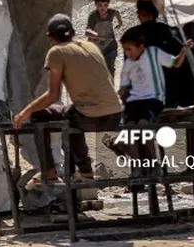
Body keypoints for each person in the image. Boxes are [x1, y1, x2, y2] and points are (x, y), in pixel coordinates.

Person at [13, 14, 123, 190]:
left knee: (40, 114)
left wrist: (24, 112)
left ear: (50, 37)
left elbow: (52, 94)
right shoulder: (91, 47)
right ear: (73, 33)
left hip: (90, 116)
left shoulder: (57, 52)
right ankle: (84, 170)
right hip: (115, 114)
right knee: (71, 115)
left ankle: (49, 172)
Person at [114, 27, 191, 168]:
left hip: (153, 98)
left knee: (144, 125)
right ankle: (136, 166)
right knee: (129, 128)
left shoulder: (154, 53)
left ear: (141, 47)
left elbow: (176, 63)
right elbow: (123, 87)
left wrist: (184, 49)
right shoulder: (127, 64)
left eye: (129, 49)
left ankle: (153, 161)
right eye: (125, 50)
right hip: (134, 101)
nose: (127, 53)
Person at [135, 0, 191, 107]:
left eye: (140, 13)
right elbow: (179, 61)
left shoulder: (134, 35)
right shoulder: (169, 31)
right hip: (171, 86)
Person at [86, 0, 124, 76]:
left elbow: (116, 12)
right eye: (100, 5)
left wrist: (120, 23)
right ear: (96, 5)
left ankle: (111, 87)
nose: (103, 8)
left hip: (110, 46)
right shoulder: (93, 16)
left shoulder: (111, 13)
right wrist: (96, 35)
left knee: (110, 68)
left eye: (105, 5)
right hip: (97, 48)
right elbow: (87, 31)